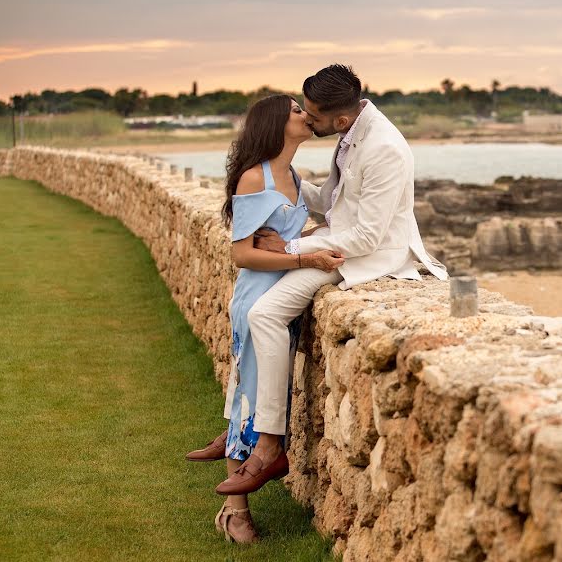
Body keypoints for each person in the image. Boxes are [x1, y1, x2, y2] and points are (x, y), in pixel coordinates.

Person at [208, 64, 447, 499]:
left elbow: (368, 235)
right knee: (256, 314)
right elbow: (339, 202)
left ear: (340, 119)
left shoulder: (385, 149)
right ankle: (256, 433)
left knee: (263, 315)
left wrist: (295, 250)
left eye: (312, 114)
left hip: (366, 257)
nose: (307, 118)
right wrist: (290, 193)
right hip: (336, 245)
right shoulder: (350, 133)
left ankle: (268, 442)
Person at [185, 94, 344, 544]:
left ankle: (236, 462)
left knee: (254, 398)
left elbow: (286, 234)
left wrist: (303, 241)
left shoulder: (290, 174)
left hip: (283, 302)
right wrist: (305, 260)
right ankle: (234, 512)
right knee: (249, 404)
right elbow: (242, 253)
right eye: (296, 110)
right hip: (257, 301)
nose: (306, 115)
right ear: (277, 124)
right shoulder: (254, 177)